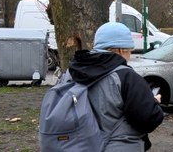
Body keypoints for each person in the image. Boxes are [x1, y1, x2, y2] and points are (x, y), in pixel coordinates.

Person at [62, 21, 165, 151]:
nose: (130, 56)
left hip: (77, 146)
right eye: (130, 51)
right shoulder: (126, 77)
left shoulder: (71, 72)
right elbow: (148, 119)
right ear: (121, 50)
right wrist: (153, 103)